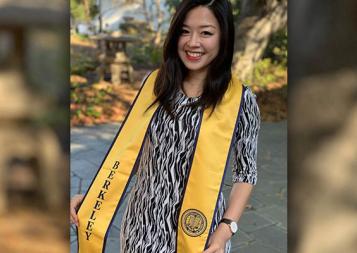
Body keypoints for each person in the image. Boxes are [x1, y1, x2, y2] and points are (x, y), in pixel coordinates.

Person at [70, 0, 260, 252]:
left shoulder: (240, 100)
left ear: (224, 37)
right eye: (184, 30)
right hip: (143, 224)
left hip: (201, 230)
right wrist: (96, 196)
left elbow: (246, 173)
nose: (193, 42)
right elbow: (133, 153)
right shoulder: (155, 85)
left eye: (206, 32)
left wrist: (226, 228)